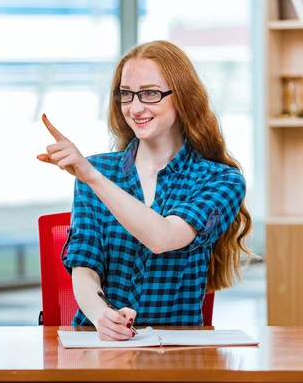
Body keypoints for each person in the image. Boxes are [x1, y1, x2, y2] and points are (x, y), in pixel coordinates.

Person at [37, 40, 253, 341]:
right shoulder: (97, 171)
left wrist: (93, 177)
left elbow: (162, 237)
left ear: (183, 98)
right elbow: (85, 265)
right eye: (127, 95)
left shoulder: (221, 181)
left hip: (177, 351)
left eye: (150, 93)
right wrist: (102, 316)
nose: (135, 108)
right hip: (99, 344)